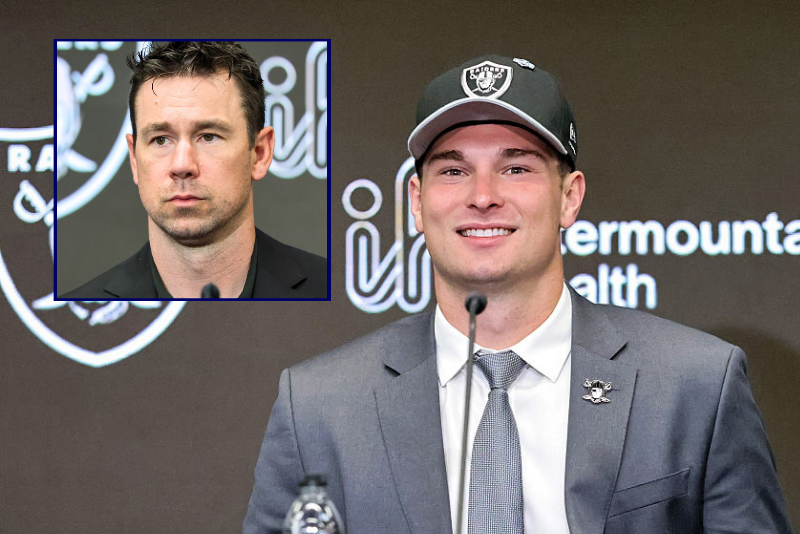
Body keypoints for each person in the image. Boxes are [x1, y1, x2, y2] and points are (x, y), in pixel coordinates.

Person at [243, 55, 792, 533]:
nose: (483, 196)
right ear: (416, 200)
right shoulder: (319, 407)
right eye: (454, 170)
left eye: (517, 168)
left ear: (569, 198)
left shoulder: (695, 385)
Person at [61, 41, 327, 299]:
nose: (182, 166)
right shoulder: (83, 308)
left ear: (259, 153)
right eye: (161, 139)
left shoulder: (329, 290)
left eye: (208, 136)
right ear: (134, 159)